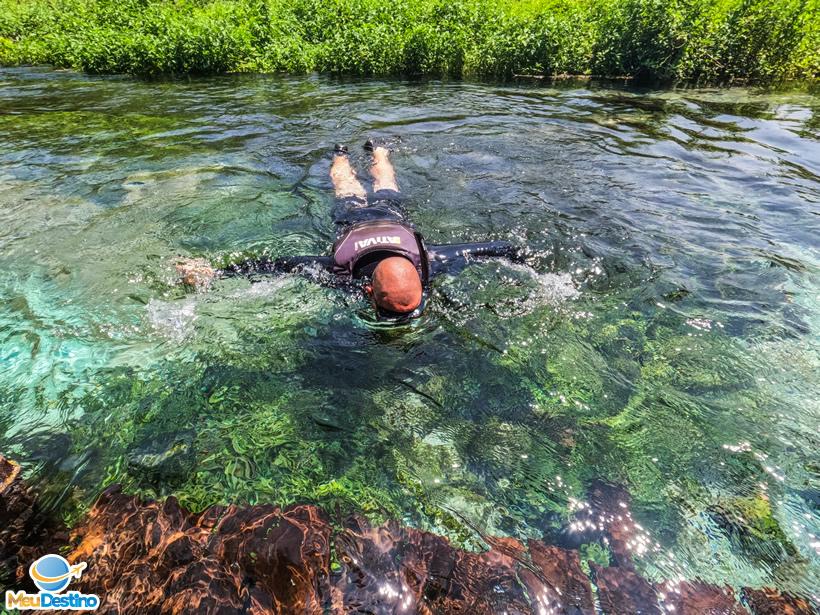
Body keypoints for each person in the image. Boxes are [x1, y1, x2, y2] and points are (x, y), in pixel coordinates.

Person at [177, 141, 522, 323]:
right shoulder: (342, 270)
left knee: (374, 184)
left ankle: (356, 152)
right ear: (368, 289)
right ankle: (353, 154)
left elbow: (277, 266)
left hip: (386, 217)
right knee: (353, 187)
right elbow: (278, 265)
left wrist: (216, 272)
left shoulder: (428, 260)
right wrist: (216, 273)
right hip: (356, 221)